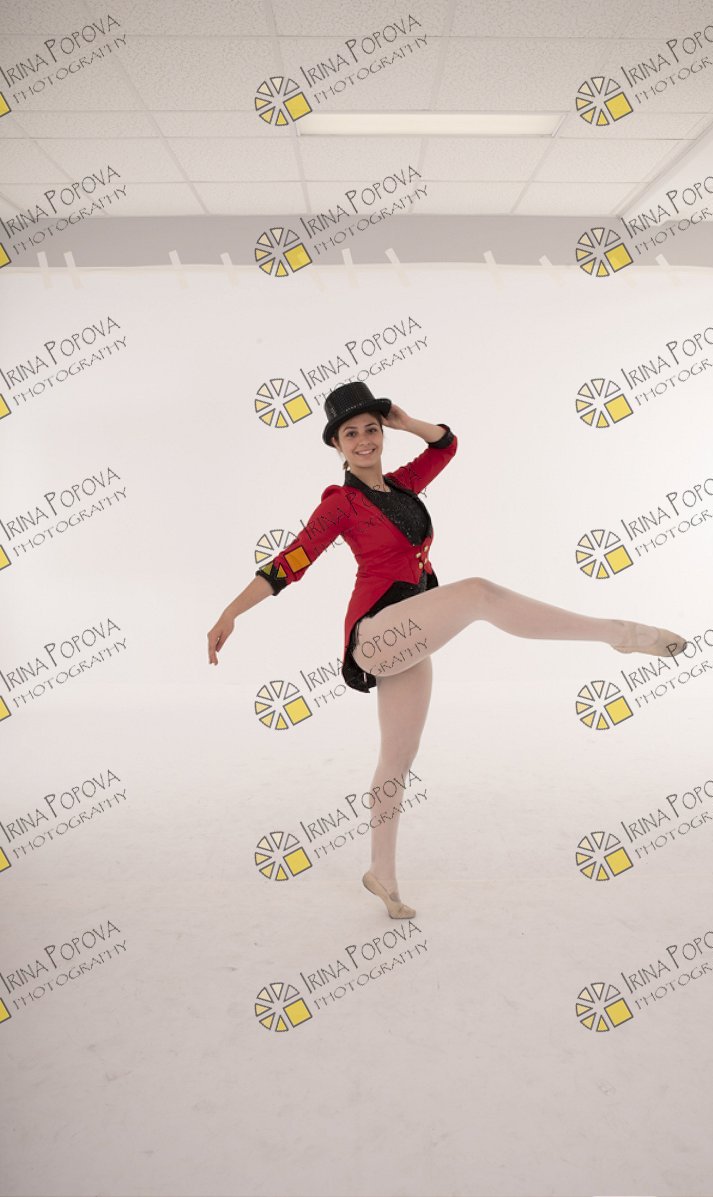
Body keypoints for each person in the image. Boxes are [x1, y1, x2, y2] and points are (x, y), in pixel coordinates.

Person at [207, 381, 687, 919]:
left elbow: (446, 446)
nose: (364, 441)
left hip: (412, 631)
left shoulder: (402, 486)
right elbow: (289, 562)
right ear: (336, 445)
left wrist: (407, 421)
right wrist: (231, 612)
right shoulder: (340, 504)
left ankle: (381, 874)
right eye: (351, 434)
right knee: (479, 593)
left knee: (397, 759)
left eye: (371, 429)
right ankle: (617, 634)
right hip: (377, 635)